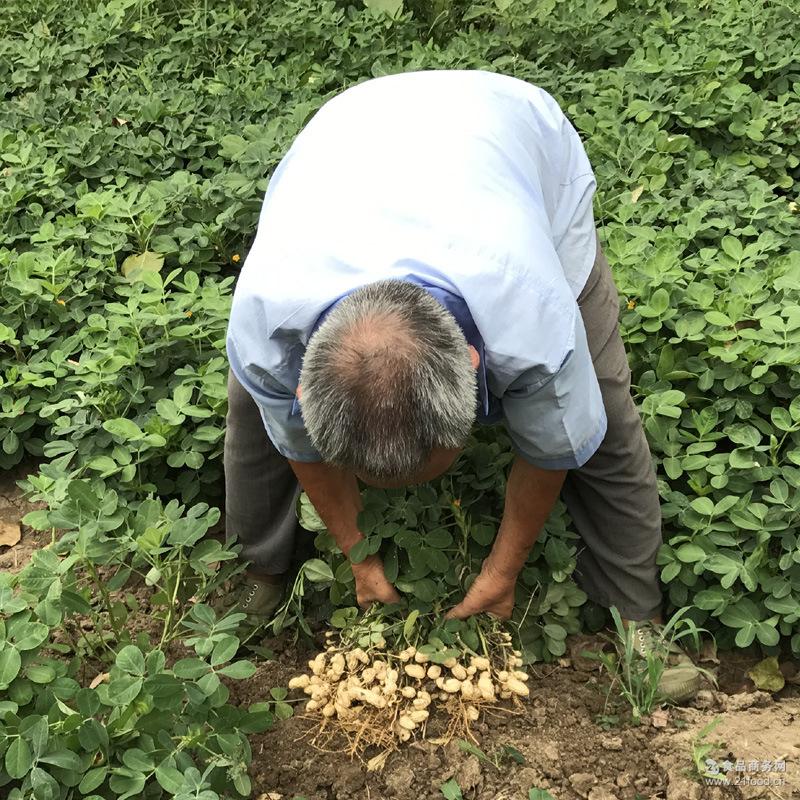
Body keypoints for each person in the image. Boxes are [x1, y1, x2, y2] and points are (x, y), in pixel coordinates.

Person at [223, 70, 701, 702]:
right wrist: (359, 559)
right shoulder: (266, 320)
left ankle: (637, 614)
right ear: (307, 394)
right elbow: (296, 442)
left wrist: (503, 572)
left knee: (601, 412)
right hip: (346, 136)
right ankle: (258, 567)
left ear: (476, 365)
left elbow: (552, 444)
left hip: (510, 135)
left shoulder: (533, 311)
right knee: (253, 415)